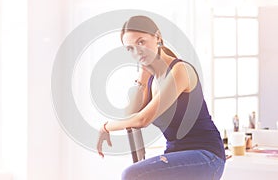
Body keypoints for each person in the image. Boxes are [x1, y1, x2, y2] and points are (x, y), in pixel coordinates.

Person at [96, 15, 226, 180]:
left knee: (132, 174)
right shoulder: (150, 79)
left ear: (157, 37)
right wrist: (141, 80)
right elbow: (130, 117)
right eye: (130, 48)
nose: (137, 52)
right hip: (176, 155)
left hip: (206, 156)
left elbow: (142, 120)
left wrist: (105, 127)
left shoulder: (180, 70)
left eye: (141, 42)